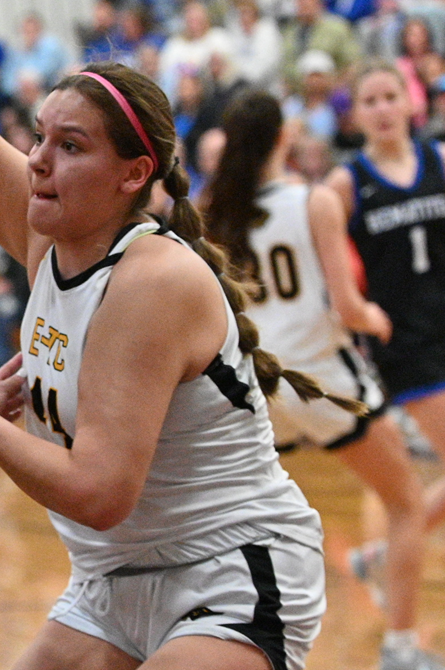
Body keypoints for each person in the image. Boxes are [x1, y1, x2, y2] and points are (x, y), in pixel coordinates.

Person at [0, 2, 343, 668]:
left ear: (133, 175)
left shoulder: (151, 283)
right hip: (110, 585)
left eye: (70, 146)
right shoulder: (49, 233)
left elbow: (100, 494)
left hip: (228, 571)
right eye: (40, 137)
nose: (37, 161)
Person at [205, 89, 442, 670]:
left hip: (256, 387)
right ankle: (401, 648)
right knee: (406, 503)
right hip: (322, 383)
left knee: (245, 526)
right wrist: (375, 318)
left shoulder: (214, 211)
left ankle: (236, 641)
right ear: (284, 137)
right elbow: (347, 306)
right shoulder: (313, 201)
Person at [326, 60, 445, 604]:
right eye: (368, 100)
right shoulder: (346, 184)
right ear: (357, 113)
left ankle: (383, 555)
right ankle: (389, 559)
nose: (380, 109)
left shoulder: (439, 159)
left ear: (409, 102)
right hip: (404, 345)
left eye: (388, 97)